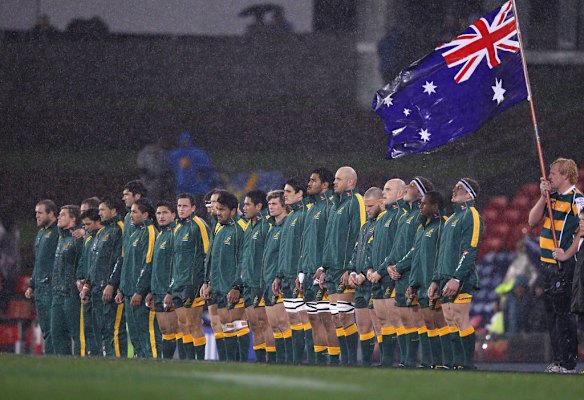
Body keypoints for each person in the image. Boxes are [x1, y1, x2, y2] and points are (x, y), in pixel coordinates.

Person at [529, 158, 583, 373]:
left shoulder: (577, 199)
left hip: (564, 266)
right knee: (551, 313)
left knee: (564, 313)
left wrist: (566, 253)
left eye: (553, 173)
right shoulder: (550, 197)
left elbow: (582, 231)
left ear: (566, 175)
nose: (548, 177)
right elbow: (532, 221)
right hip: (546, 264)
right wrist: (543, 197)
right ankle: (558, 360)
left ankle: (568, 362)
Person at [428, 178, 483, 370]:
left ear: (469, 194)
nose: (454, 189)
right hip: (444, 278)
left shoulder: (471, 215)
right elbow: (441, 252)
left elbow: (470, 249)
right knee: (450, 319)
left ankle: (467, 364)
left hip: (461, 278)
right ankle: (455, 363)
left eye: (459, 188)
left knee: (460, 318)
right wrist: (436, 280)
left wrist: (457, 278)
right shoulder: (451, 218)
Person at [384, 177, 433, 367]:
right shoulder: (404, 216)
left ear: (421, 193)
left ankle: (426, 361)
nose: (406, 188)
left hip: (413, 272)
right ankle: (407, 360)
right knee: (403, 318)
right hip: (400, 274)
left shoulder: (420, 216)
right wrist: (390, 264)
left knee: (418, 319)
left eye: (411, 186)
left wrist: (400, 265)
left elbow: (417, 247)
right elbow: (396, 248)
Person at [319, 166, 366, 365]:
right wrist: (323, 267)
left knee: (345, 316)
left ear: (351, 182)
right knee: (336, 317)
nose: (334, 182)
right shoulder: (333, 204)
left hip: (345, 268)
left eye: (338, 179)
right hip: (332, 268)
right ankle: (343, 362)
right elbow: (329, 239)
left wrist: (352, 267)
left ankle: (350, 361)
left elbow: (361, 234)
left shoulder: (355, 201)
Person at [201, 192, 249, 362]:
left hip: (233, 287)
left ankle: (243, 364)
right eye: (217, 209)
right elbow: (212, 258)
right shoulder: (219, 227)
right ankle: (230, 364)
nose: (218, 212)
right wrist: (208, 283)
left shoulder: (242, 228)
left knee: (238, 323)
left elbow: (244, 260)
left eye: (222, 209)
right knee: (226, 325)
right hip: (218, 286)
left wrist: (237, 286)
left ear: (233, 211)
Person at [111, 198, 161, 358]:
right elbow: (126, 264)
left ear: (145, 214)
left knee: (147, 334)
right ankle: (141, 368)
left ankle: (154, 367)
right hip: (128, 293)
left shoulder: (151, 232)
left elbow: (149, 264)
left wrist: (140, 291)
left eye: (134, 212)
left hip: (140, 294)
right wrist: (121, 289)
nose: (130, 215)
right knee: (135, 336)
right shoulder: (134, 233)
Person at [404, 191, 448, 368]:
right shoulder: (421, 228)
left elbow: (443, 256)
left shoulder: (442, 226)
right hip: (421, 283)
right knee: (429, 322)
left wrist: (436, 280)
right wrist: (413, 283)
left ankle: (447, 362)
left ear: (435, 206)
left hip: (434, 283)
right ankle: (434, 362)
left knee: (439, 321)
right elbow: (416, 258)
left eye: (424, 203)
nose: (420, 206)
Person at [299, 168, 338, 365]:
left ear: (325, 185)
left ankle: (334, 363)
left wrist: (323, 266)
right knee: (314, 319)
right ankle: (319, 363)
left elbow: (331, 240)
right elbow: (307, 243)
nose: (309, 183)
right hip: (308, 270)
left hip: (322, 271)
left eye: (313, 180)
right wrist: (301, 272)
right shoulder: (312, 208)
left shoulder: (330, 206)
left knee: (327, 319)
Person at [164, 193, 210, 360]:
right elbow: (176, 260)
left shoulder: (199, 225)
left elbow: (207, 254)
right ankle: (187, 362)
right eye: (179, 206)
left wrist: (206, 281)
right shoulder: (177, 228)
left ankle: (200, 361)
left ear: (193, 208)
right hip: (178, 283)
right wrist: (171, 287)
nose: (181, 209)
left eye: (184, 206)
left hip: (193, 282)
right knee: (182, 325)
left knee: (193, 324)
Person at [367, 179, 407, 367]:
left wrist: (381, 269)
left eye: (388, 190)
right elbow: (373, 247)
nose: (384, 192)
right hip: (378, 276)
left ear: (400, 193)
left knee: (396, 319)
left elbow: (396, 249)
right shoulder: (383, 217)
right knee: (383, 321)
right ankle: (387, 361)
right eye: (383, 189)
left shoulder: (401, 215)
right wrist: (370, 268)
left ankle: (405, 361)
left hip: (391, 276)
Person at [82, 196, 127, 358]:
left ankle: (117, 363)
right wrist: (87, 284)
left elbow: (120, 258)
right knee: (102, 330)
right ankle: (108, 360)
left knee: (113, 329)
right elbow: (94, 262)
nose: (99, 213)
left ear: (113, 211)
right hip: (96, 288)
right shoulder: (102, 232)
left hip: (109, 289)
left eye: (102, 210)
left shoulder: (120, 229)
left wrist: (111, 284)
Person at [273, 176, 310, 364]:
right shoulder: (289, 218)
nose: (284, 195)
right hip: (286, 276)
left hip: (297, 276)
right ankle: (295, 361)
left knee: (304, 319)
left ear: (299, 194)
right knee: (293, 320)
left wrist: (301, 272)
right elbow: (284, 250)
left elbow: (306, 247)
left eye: (288, 192)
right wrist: (278, 276)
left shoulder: (305, 215)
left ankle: (311, 360)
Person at [348, 187, 384, 366]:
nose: (367, 210)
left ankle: (387, 362)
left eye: (370, 206)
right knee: (363, 326)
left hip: (373, 281)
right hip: (361, 283)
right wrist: (353, 271)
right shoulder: (365, 226)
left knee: (379, 326)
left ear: (380, 203)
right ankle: (366, 364)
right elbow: (357, 251)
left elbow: (376, 252)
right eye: (365, 206)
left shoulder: (382, 224)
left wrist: (365, 273)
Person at [241, 190, 273, 362]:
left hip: (261, 283)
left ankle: (273, 361)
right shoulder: (249, 226)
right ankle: (261, 362)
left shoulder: (266, 225)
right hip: (249, 283)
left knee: (265, 323)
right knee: (255, 325)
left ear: (259, 206)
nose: (244, 208)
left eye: (247, 204)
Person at [262, 190, 293, 363]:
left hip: (280, 280)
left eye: (274, 204)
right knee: (274, 325)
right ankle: (279, 362)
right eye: (269, 204)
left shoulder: (287, 225)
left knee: (283, 322)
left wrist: (280, 276)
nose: (270, 207)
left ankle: (289, 360)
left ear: (284, 205)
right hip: (268, 280)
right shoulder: (272, 227)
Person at [25, 199, 59, 355]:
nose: (36, 216)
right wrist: (32, 285)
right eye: (35, 213)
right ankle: (49, 357)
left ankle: (55, 357)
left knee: (54, 328)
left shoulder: (58, 232)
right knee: (45, 327)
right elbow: (39, 262)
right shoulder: (41, 233)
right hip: (40, 287)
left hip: (52, 287)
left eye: (40, 213)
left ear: (51, 213)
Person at [50, 205, 84, 355]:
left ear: (73, 219)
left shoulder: (78, 239)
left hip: (71, 294)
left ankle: (79, 366)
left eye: (63, 215)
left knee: (77, 335)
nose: (59, 217)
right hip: (57, 293)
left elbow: (83, 263)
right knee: (56, 333)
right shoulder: (61, 238)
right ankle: (61, 366)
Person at [148, 201, 179, 359]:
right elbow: (155, 266)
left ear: (173, 215)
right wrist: (151, 291)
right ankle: (166, 362)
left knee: (174, 328)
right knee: (165, 330)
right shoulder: (160, 235)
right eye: (158, 213)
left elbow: (177, 265)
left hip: (169, 290)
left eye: (165, 213)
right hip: (158, 290)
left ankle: (182, 363)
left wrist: (171, 291)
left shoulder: (176, 234)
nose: (161, 216)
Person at [77, 208, 103, 356]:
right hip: (88, 288)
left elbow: (98, 265)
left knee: (100, 328)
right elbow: (84, 261)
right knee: (90, 327)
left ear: (97, 221)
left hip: (98, 287)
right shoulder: (89, 238)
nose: (85, 228)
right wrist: (79, 279)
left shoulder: (104, 236)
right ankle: (94, 356)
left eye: (87, 224)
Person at [168, 132, 213, 199]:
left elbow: (205, 170)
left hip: (195, 188)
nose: (184, 142)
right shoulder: (174, 154)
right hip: (183, 187)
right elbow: (170, 170)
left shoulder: (198, 153)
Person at [137, 138, 170, 203]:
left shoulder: (161, 153)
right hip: (147, 181)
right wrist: (150, 175)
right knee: (146, 198)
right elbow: (141, 168)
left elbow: (165, 166)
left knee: (156, 199)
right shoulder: (144, 153)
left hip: (158, 181)